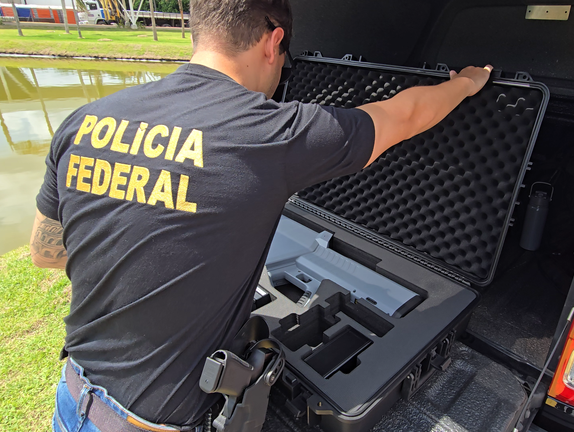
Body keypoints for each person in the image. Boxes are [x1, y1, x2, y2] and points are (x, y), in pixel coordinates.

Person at [31, 0, 493, 430]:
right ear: (273, 43)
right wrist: (466, 83)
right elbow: (404, 115)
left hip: (73, 395)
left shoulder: (85, 119)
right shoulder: (271, 133)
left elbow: (46, 251)